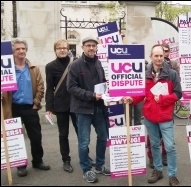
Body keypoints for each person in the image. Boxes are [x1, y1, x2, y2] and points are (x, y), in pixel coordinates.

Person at [123, 44, 182, 186]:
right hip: (150, 117)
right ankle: (158, 170)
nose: (159, 58)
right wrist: (131, 99)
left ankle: (172, 175)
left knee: (170, 147)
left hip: (165, 117)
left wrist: (163, 99)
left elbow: (178, 94)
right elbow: (141, 94)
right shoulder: (145, 74)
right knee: (154, 145)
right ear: (151, 57)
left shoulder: (172, 74)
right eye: (156, 56)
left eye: (161, 55)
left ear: (164, 56)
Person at [2, 38, 50, 177]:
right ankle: (21, 166)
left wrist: (36, 102)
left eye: (23, 48)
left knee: (36, 136)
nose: (21, 51)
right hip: (13, 108)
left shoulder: (33, 68)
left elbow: (41, 86)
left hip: (30, 108)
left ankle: (38, 161)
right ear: (12, 52)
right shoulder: (6, 69)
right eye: (18, 49)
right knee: (17, 138)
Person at [66, 36, 110, 183]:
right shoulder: (75, 65)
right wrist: (91, 95)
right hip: (83, 110)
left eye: (93, 46)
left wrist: (106, 91)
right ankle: (86, 169)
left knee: (103, 137)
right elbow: (71, 87)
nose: (91, 48)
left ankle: (100, 164)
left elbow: (102, 82)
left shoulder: (98, 63)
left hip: (99, 108)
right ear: (83, 47)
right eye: (88, 45)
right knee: (84, 142)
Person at [45, 39, 78, 173]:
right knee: (63, 134)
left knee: (81, 133)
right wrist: (49, 108)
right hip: (60, 105)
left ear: (68, 49)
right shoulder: (50, 66)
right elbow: (49, 89)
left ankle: (85, 156)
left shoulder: (76, 63)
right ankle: (66, 160)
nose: (62, 50)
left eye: (65, 48)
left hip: (76, 104)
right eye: (59, 48)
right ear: (55, 50)